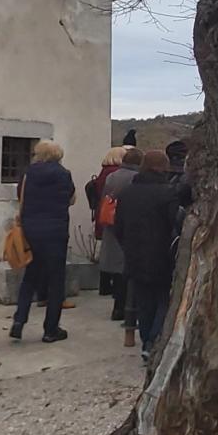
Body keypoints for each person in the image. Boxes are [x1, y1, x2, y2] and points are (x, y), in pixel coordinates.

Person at [114, 148, 192, 362]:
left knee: (143, 302)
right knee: (163, 300)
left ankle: (146, 339)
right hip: (161, 255)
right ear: (164, 167)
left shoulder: (127, 193)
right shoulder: (167, 193)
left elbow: (118, 227)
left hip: (134, 255)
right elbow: (176, 223)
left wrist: (128, 247)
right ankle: (152, 341)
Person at [12, 141, 76, 342]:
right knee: (56, 280)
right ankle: (50, 329)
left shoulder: (28, 174)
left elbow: (21, 197)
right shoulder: (64, 174)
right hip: (56, 231)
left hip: (31, 230)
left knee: (30, 276)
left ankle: (19, 320)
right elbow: (71, 199)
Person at [104, 147, 143, 329]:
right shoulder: (136, 178)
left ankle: (117, 308)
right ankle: (128, 310)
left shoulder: (112, 176)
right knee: (128, 270)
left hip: (112, 222)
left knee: (117, 269)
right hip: (130, 224)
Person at [87, 147, 128, 306]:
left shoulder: (104, 172)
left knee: (107, 250)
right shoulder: (115, 174)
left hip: (103, 214)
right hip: (113, 216)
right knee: (116, 253)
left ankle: (104, 285)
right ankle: (111, 287)